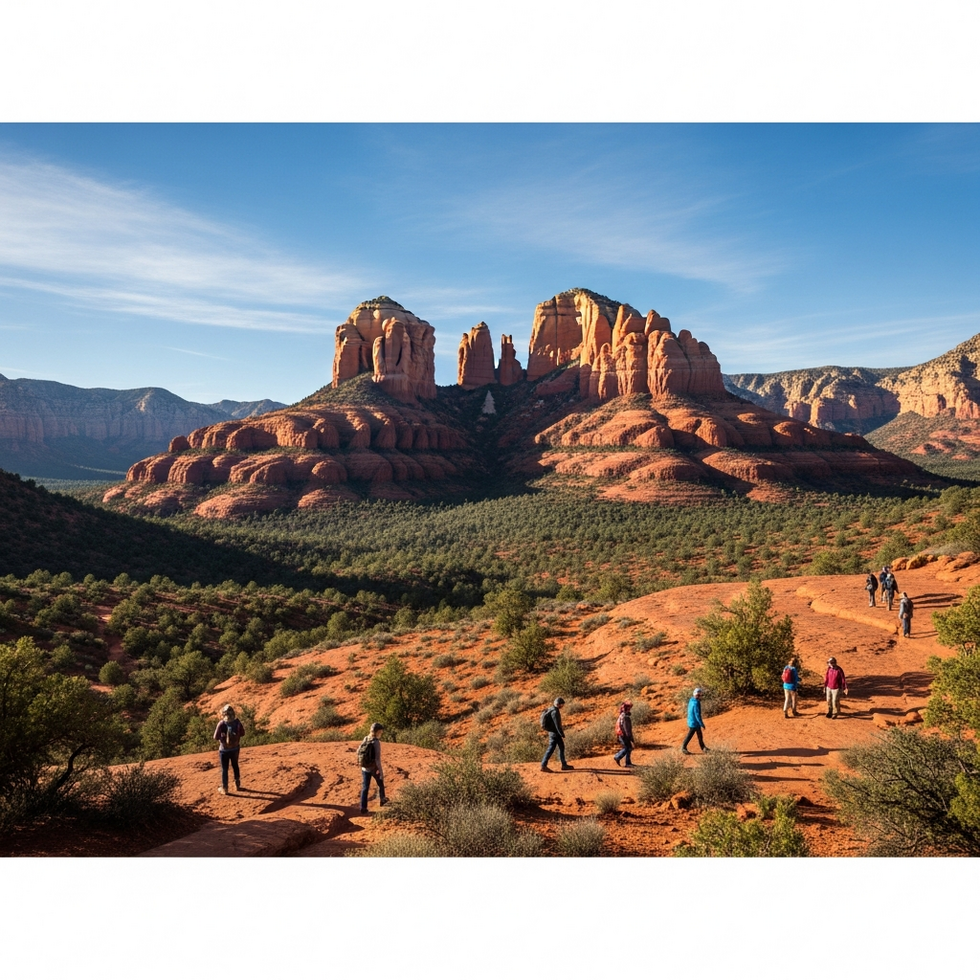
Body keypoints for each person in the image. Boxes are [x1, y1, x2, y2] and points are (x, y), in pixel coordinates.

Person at [213, 704, 246, 795]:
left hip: (224, 750)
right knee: (235, 765)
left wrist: (222, 738)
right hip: (235, 749)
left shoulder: (221, 723)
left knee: (224, 769)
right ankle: (237, 784)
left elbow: (215, 737)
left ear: (224, 714)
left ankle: (225, 788)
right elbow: (243, 734)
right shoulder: (237, 723)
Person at [358, 722, 388, 814]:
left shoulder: (366, 738)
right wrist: (380, 771)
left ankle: (363, 808)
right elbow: (377, 759)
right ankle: (382, 800)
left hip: (364, 768)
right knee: (380, 783)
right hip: (374, 768)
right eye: (380, 731)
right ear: (378, 731)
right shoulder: (376, 742)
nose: (381, 733)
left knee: (365, 788)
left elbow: (358, 751)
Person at [541, 697, 574, 771]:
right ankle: (543, 765)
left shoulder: (551, 709)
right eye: (562, 704)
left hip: (552, 732)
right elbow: (557, 724)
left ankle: (564, 765)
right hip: (555, 733)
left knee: (561, 747)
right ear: (559, 704)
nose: (563, 706)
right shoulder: (555, 712)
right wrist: (562, 734)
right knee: (551, 749)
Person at [681, 688, 709, 754]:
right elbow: (697, 714)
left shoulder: (691, 700)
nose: (699, 697)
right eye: (698, 695)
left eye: (700, 695)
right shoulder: (696, 703)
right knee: (690, 736)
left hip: (691, 721)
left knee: (700, 736)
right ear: (694, 694)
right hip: (694, 723)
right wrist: (701, 723)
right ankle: (683, 748)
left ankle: (704, 748)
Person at [613, 701, 635, 767]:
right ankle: (618, 757)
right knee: (628, 748)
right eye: (629, 708)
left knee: (628, 748)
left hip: (621, 735)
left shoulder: (622, 715)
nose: (630, 709)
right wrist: (630, 738)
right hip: (624, 735)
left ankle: (627, 762)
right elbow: (626, 729)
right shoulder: (625, 717)